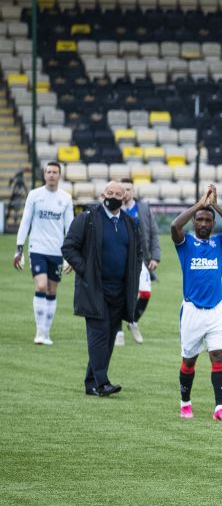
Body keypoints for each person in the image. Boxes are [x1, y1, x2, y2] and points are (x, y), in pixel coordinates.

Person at [61, 180, 144, 396]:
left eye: (118, 193)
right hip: (94, 289)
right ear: (101, 195)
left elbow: (138, 252)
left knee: (108, 336)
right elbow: (68, 248)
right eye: (109, 192)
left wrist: (133, 279)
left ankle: (92, 382)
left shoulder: (130, 222)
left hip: (120, 290)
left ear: (124, 196)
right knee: (98, 334)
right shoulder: (87, 219)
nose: (113, 196)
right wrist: (86, 270)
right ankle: (102, 382)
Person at [170, 184, 222, 420]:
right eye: (199, 219)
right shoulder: (185, 244)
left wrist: (215, 206)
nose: (202, 223)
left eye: (207, 220)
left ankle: (220, 407)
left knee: (218, 355)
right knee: (189, 360)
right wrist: (200, 205)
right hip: (192, 311)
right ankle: (185, 401)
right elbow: (174, 226)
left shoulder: (219, 243)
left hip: (216, 311)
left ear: (213, 224)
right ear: (194, 222)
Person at [13, 161, 73, 345]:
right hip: (37, 248)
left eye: (55, 172)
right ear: (44, 174)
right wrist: (19, 247)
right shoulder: (35, 195)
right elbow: (25, 222)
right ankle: (39, 332)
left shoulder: (66, 198)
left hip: (57, 251)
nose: (52, 175)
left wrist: (70, 255)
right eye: (49, 172)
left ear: (60, 175)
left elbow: (70, 227)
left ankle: (46, 333)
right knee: (41, 286)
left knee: (52, 290)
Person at [115, 178, 160, 346]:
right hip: (118, 258)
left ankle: (132, 320)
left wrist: (155, 257)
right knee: (119, 295)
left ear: (133, 191)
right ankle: (117, 332)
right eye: (123, 189)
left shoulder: (143, 208)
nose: (126, 192)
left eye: (128, 189)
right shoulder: (114, 209)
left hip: (139, 258)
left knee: (146, 292)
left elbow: (154, 233)